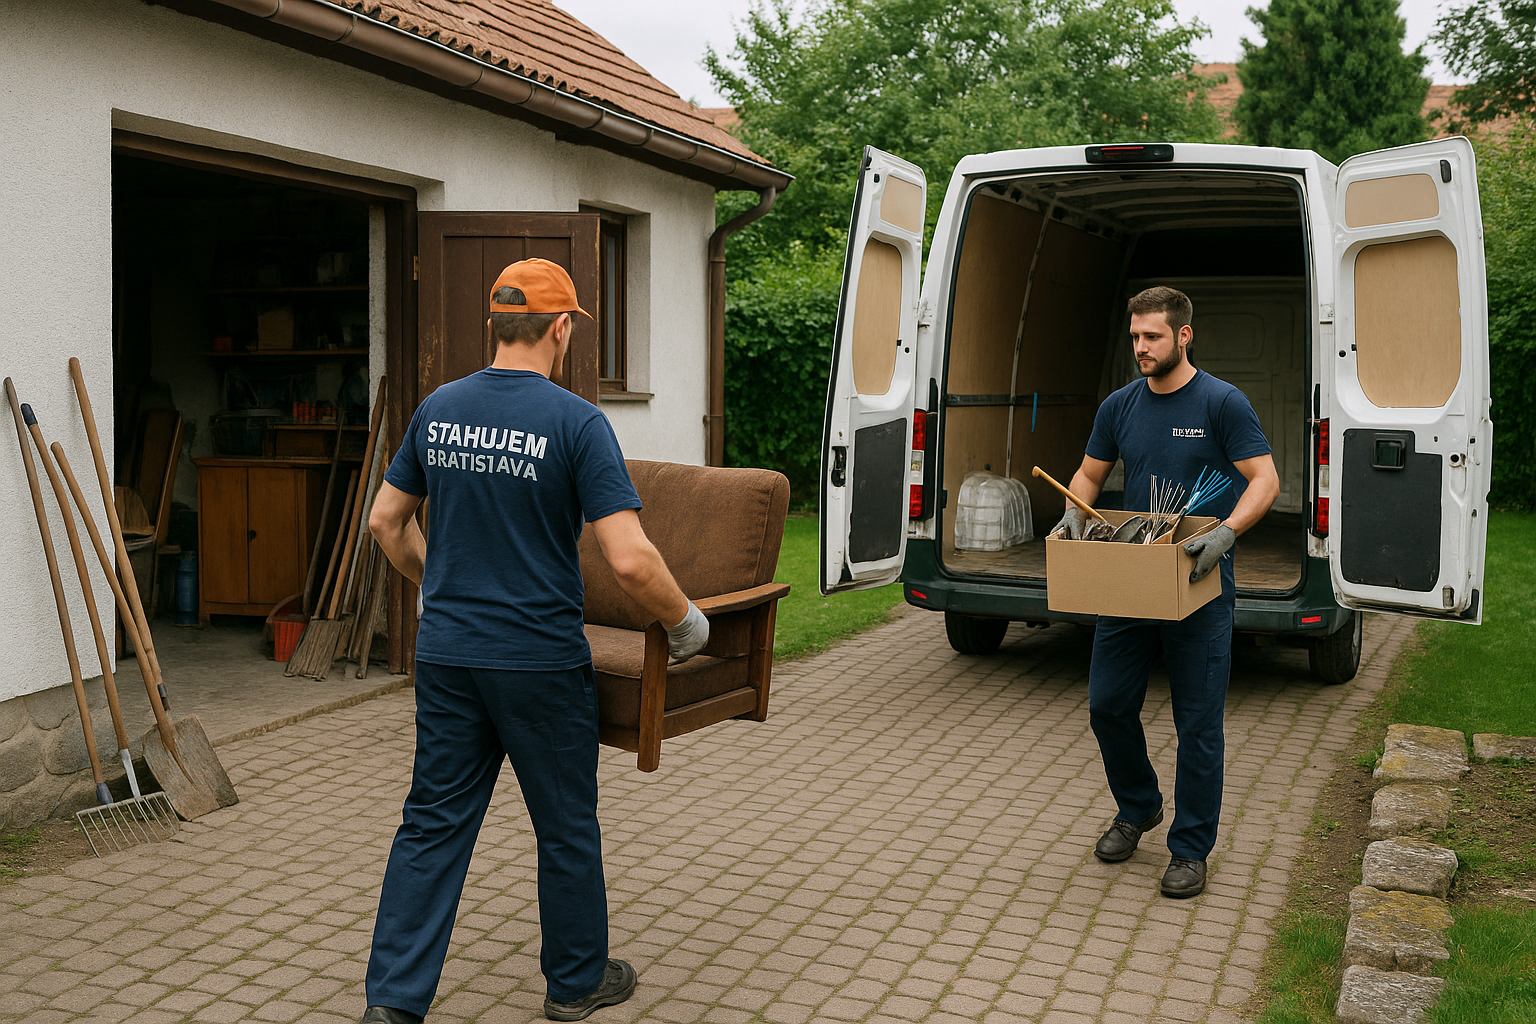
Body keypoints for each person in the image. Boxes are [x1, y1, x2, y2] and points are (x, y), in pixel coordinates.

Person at [360, 258, 711, 1024]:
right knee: (564, 823)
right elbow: (630, 559)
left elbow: (385, 522)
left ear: (495, 324)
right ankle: (577, 981)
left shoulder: (439, 409)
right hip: (538, 662)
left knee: (432, 824)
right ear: (560, 328)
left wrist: (438, 584)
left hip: (448, 655)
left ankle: (392, 1004)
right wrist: (686, 622)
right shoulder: (576, 422)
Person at [1053, 286, 1278, 899]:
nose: (1141, 347)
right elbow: (1089, 474)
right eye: (1134, 337)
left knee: (1197, 724)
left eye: (1152, 336)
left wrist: (1227, 533)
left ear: (1184, 335)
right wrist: (1075, 509)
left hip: (1198, 585)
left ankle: (1190, 848)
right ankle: (1139, 806)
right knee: (1107, 706)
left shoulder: (1222, 403)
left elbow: (1264, 479)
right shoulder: (1120, 406)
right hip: (1132, 582)